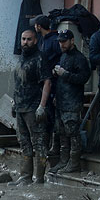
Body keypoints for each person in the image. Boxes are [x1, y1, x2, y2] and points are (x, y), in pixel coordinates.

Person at [9, 28, 51, 185]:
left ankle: (39, 178)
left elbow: (47, 81)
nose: (25, 42)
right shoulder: (21, 58)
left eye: (28, 39)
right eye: (23, 39)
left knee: (38, 143)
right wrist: (14, 102)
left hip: (33, 108)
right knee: (24, 142)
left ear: (35, 41)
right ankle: (25, 176)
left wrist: (42, 106)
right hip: (20, 107)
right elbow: (19, 83)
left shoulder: (40, 58)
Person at [49, 29, 91, 174]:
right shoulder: (63, 56)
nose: (61, 44)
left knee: (73, 133)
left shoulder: (79, 58)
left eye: (64, 41)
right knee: (61, 133)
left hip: (73, 102)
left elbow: (83, 78)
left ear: (72, 40)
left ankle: (74, 163)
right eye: (60, 42)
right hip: (61, 101)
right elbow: (62, 80)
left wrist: (65, 74)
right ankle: (63, 161)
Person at [33, 14, 61, 157]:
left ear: (38, 26)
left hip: (55, 83)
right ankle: (47, 144)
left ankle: (55, 146)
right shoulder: (42, 41)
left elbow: (61, 58)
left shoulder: (54, 41)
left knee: (54, 116)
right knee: (47, 116)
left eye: (35, 25)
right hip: (44, 83)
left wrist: (55, 70)